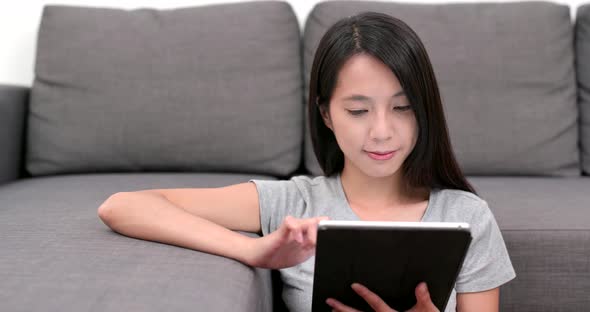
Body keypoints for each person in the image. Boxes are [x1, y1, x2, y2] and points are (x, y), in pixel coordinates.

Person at [97, 12, 516, 312]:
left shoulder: (466, 217)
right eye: (358, 111)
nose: (383, 131)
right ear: (326, 114)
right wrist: (255, 251)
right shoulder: (292, 205)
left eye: (403, 107)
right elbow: (122, 206)